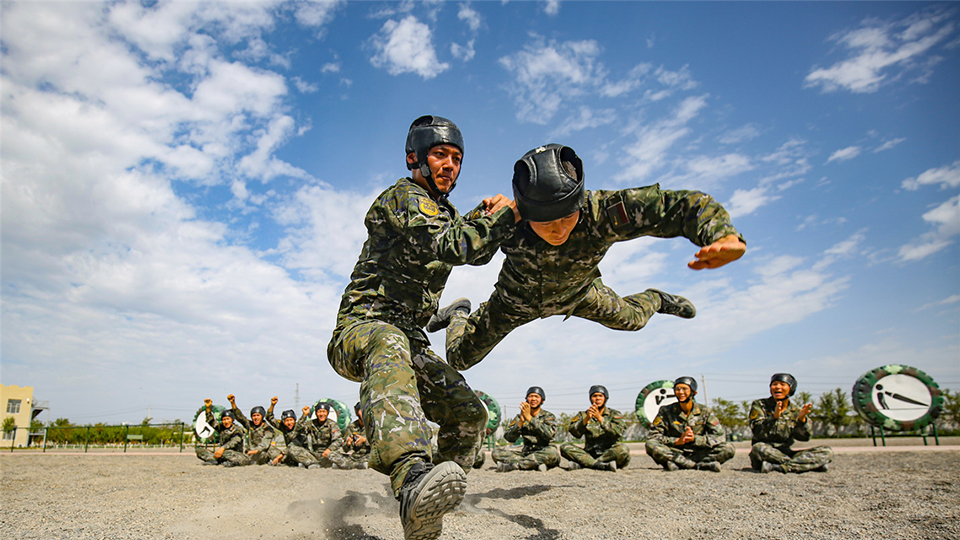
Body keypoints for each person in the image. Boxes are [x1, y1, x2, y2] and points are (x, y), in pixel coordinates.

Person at [326, 115, 519, 540]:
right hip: (363, 329)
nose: (450, 165)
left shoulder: (444, 213)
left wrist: (489, 213)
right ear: (415, 157)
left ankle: (432, 503)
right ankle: (412, 480)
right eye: (440, 154)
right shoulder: (402, 197)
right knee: (389, 339)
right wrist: (509, 214)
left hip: (407, 338)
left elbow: (472, 246)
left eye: (456, 158)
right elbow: (455, 244)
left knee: (469, 413)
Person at [429, 144, 746, 372]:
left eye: (567, 217)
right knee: (459, 360)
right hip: (514, 302)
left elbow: (678, 206)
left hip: (580, 293)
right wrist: (486, 220)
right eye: (546, 221)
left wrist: (721, 235)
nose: (558, 229)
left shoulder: (602, 212)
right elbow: (466, 253)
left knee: (633, 320)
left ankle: (657, 299)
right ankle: (458, 313)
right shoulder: (509, 219)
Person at [645, 377, 734, 472]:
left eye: (684, 389)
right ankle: (698, 465)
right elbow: (653, 436)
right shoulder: (666, 411)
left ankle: (685, 464)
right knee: (651, 445)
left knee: (728, 448)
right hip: (675, 452)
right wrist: (677, 441)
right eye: (677, 389)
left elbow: (719, 436)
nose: (680, 392)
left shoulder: (705, 412)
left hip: (699, 452)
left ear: (694, 392)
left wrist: (695, 439)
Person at [750, 373, 833, 473]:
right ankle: (806, 465)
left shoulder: (796, 411)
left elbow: (805, 438)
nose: (777, 387)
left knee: (826, 451)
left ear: (791, 388)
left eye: (782, 384)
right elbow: (757, 431)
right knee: (758, 448)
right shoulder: (760, 405)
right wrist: (773, 417)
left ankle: (779, 467)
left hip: (786, 452)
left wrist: (802, 421)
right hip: (766, 453)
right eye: (774, 384)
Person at [559, 385, 628, 472]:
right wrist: (586, 419)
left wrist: (600, 419)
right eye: (594, 396)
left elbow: (618, 432)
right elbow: (574, 433)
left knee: (623, 449)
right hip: (589, 454)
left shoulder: (614, 414)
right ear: (590, 398)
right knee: (565, 447)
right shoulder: (583, 414)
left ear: (605, 398)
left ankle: (586, 464)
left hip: (609, 453)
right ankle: (598, 465)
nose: (597, 398)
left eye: (600, 396)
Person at [491, 386, 560, 472]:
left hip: (545, 451)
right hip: (527, 454)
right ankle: (534, 464)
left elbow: (549, 435)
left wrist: (530, 419)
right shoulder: (520, 417)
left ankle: (514, 466)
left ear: (542, 400)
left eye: (536, 396)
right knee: (496, 453)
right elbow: (509, 438)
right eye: (531, 396)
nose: (533, 399)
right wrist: (520, 422)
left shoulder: (549, 416)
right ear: (527, 399)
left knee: (552, 454)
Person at [265, 396, 320, 469]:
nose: (289, 423)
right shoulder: (283, 427)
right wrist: (272, 405)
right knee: (271, 449)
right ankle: (280, 462)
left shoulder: (299, 428)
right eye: (287, 421)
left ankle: (310, 464)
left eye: (291, 420)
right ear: (284, 422)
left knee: (291, 449)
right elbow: (269, 418)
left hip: (303, 454)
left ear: (294, 420)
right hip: (289, 453)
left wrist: (304, 415)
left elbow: (292, 445)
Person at [227, 394, 280, 465]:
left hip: (261, 451)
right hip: (250, 452)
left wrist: (256, 450)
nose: (256, 418)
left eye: (258, 415)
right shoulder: (249, 425)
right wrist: (233, 403)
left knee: (275, 452)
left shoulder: (267, 428)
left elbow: (265, 442)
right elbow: (239, 417)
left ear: (262, 416)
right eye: (253, 415)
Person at [195, 398, 250, 467]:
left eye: (228, 419)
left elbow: (234, 441)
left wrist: (222, 448)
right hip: (223, 453)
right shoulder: (221, 428)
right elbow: (211, 421)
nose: (226, 422)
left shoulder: (237, 429)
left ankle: (231, 462)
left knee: (226, 453)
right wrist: (208, 408)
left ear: (232, 420)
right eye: (224, 419)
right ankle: (213, 461)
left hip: (237, 455)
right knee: (200, 450)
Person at [304, 402, 349, 468]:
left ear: (327, 413)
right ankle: (313, 463)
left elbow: (338, 440)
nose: (321, 414)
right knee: (293, 449)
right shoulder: (311, 423)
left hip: (328, 453)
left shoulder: (332, 424)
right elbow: (298, 430)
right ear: (316, 413)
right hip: (315, 454)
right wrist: (304, 415)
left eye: (324, 412)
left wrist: (329, 449)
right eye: (319, 412)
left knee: (337, 457)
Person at [336, 402, 371, 469]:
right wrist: (348, 444)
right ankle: (358, 465)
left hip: (369, 454)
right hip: (356, 456)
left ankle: (346, 465)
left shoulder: (374, 425)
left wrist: (365, 440)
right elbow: (345, 449)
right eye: (361, 411)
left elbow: (380, 444)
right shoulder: (352, 427)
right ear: (357, 413)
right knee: (332, 455)